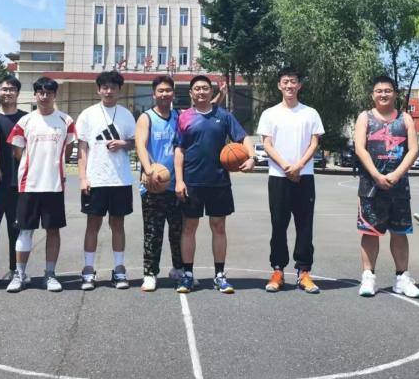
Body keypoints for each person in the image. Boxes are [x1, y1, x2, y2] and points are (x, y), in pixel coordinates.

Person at [173, 74, 254, 294]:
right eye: (197, 88)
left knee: (219, 227)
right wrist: (179, 180)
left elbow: (243, 138)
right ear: (191, 93)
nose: (201, 91)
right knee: (189, 227)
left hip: (219, 182)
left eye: (205, 88)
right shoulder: (184, 118)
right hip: (191, 181)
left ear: (211, 91)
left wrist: (251, 157)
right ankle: (188, 275)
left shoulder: (224, 116)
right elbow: (179, 150)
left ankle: (219, 275)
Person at [353, 75, 419, 299]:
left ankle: (402, 278)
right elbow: (360, 148)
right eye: (379, 91)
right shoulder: (365, 117)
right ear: (373, 95)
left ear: (395, 94)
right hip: (370, 186)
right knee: (370, 232)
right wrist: (376, 175)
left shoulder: (405, 119)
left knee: (400, 232)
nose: (383, 94)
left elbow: (413, 150)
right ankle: (368, 277)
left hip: (398, 186)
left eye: (388, 90)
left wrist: (396, 174)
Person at [256, 67, 325, 294]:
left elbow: (314, 143)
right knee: (278, 224)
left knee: (305, 225)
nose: (289, 85)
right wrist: (286, 166)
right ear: (279, 85)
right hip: (279, 177)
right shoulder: (269, 114)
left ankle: (303, 271)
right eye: (285, 81)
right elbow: (267, 144)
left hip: (304, 176)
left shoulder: (310, 113)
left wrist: (298, 166)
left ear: (299, 85)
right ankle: (278, 270)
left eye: (293, 81)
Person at [7, 77, 75, 293]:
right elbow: (17, 151)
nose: (44, 96)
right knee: (25, 230)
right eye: (41, 92)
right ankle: (19, 274)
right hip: (29, 185)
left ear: (55, 95)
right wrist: (34, 166)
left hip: (54, 185)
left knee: (53, 231)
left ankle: (50, 274)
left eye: (49, 93)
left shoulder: (66, 120)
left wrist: (55, 166)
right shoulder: (24, 121)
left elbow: (69, 149)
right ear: (35, 94)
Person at [77, 70, 136, 290]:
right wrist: (83, 178)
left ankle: (119, 269)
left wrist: (123, 143)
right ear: (98, 90)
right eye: (105, 87)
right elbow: (82, 148)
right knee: (92, 224)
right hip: (96, 180)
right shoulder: (87, 114)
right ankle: (88, 269)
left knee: (118, 225)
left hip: (120, 180)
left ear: (119, 90)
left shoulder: (126, 115)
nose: (109, 91)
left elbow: (134, 142)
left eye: (113, 87)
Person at [134, 75, 184, 291]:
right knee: (153, 232)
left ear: (173, 93)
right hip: (153, 184)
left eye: (168, 90)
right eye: (160, 91)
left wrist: (219, 98)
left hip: (176, 184)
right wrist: (149, 170)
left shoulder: (179, 116)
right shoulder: (146, 117)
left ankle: (179, 269)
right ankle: (150, 273)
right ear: (154, 94)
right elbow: (140, 145)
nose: (165, 94)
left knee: (178, 231)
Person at [0, 75, 27, 277]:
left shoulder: (27, 118)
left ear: (18, 93)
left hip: (19, 183)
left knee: (16, 229)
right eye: (4, 89)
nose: (8, 93)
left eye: (12, 89)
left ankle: (15, 269)